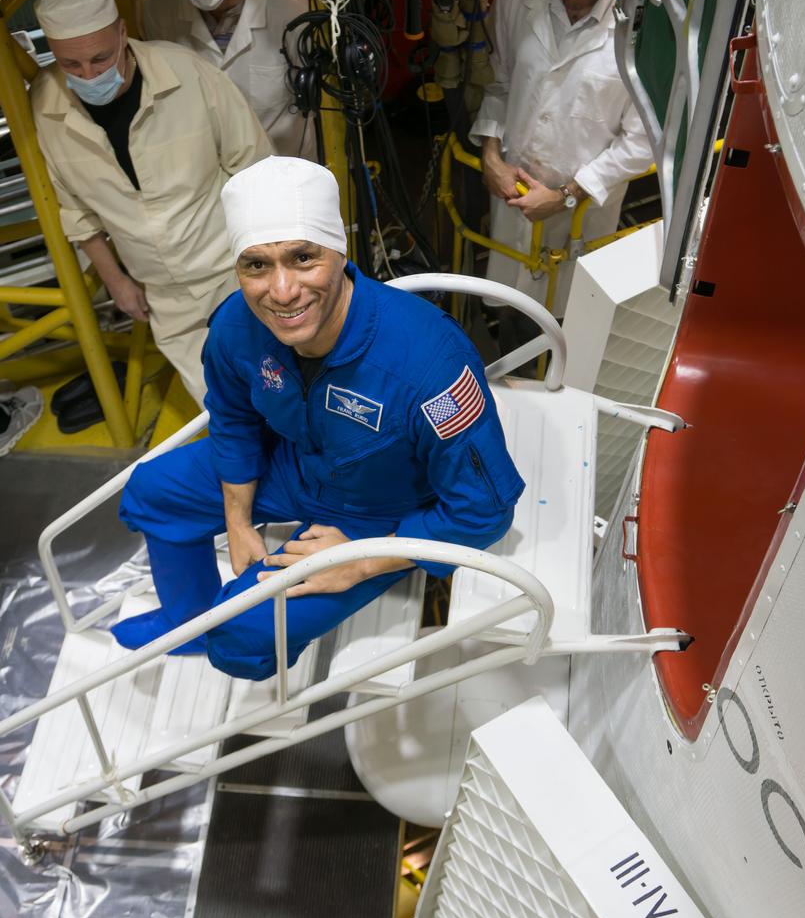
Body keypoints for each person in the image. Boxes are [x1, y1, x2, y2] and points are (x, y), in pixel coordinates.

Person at [110, 157, 524, 681]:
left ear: (340, 252)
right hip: (295, 467)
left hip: (380, 515)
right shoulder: (237, 326)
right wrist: (239, 522)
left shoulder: (429, 367)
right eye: (256, 265)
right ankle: (184, 619)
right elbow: (234, 420)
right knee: (151, 488)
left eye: (303, 258)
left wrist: (368, 559)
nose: (281, 292)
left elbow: (484, 510)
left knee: (238, 635)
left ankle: (251, 637)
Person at [31, 0, 272, 404]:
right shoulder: (47, 103)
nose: (89, 74)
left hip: (234, 271)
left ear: (123, 34)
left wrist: (269, 265)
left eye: (101, 58)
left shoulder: (187, 72)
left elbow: (255, 169)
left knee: (280, 394)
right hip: (165, 297)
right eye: (71, 64)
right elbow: (76, 213)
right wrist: (117, 282)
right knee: (220, 412)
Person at [470, 0, 652, 313]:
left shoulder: (642, 31)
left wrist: (568, 194)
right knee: (506, 300)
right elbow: (501, 82)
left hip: (581, 215)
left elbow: (640, 141)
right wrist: (491, 156)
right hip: (512, 198)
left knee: (565, 319)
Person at [144, 0, 315, 159]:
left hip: (280, 166)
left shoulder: (291, 10)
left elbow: (318, 106)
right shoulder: (160, 7)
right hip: (209, 167)